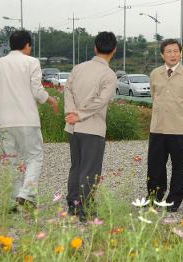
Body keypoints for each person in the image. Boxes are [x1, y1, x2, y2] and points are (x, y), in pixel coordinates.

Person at [0, 30, 58, 212]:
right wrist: (51, 99)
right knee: (34, 157)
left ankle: (15, 201)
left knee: (11, 161)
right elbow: (37, 90)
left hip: (4, 122)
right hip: (28, 119)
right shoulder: (32, 62)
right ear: (27, 45)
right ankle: (26, 193)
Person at [64, 31, 117, 222]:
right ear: (114, 50)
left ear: (95, 48)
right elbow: (100, 102)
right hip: (92, 128)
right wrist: (80, 115)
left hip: (72, 128)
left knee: (76, 166)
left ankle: (73, 205)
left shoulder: (78, 68)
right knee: (90, 169)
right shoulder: (109, 75)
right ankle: (85, 209)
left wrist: (71, 113)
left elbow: (67, 89)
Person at [147, 39, 183, 212]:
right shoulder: (154, 74)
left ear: (180, 53)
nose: (173, 55)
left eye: (176, 51)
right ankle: (155, 195)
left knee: (178, 165)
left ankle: (175, 198)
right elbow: (154, 96)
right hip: (158, 128)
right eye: (168, 51)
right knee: (155, 165)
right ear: (162, 54)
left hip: (180, 129)